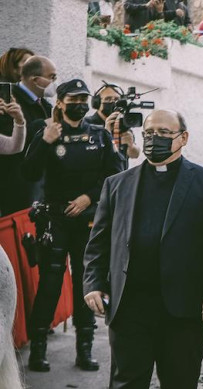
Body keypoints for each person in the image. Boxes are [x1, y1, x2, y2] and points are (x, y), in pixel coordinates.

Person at [81, 110, 203, 388]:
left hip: (184, 308)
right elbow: (98, 243)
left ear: (183, 138)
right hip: (129, 305)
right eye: (149, 133)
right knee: (126, 382)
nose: (154, 139)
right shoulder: (116, 184)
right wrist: (93, 284)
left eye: (164, 133)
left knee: (180, 381)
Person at [22, 78, 123, 372]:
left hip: (89, 219)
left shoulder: (100, 136)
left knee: (86, 282)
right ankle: (38, 351)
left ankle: (85, 349)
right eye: (73, 99)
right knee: (50, 283)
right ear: (61, 102)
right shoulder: (48, 133)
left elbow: (113, 175)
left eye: (83, 99)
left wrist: (88, 197)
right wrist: (44, 141)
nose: (78, 104)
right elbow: (28, 172)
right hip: (54, 219)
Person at [0, 55, 55, 215]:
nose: (54, 82)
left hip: (38, 185)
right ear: (35, 79)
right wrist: (42, 125)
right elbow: (10, 142)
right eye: (51, 77)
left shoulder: (44, 104)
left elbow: (13, 145)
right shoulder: (9, 99)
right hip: (13, 186)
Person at [84, 83, 140, 168]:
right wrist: (107, 132)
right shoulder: (87, 124)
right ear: (97, 102)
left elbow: (134, 155)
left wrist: (131, 145)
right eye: (108, 99)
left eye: (116, 99)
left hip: (120, 177)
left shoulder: (123, 123)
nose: (113, 102)